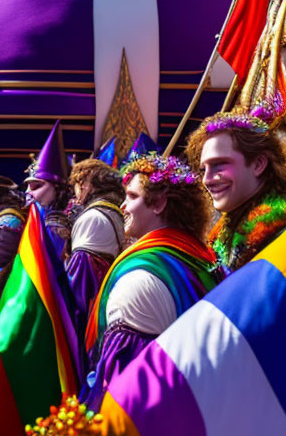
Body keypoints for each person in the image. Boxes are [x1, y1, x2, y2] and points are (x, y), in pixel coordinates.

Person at [80, 153, 218, 411]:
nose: (122, 206)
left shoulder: (139, 279)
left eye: (132, 196)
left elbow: (125, 390)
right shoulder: (199, 257)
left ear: (159, 203)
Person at [185, 96, 286, 273]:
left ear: (258, 164)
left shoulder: (285, 230)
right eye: (203, 169)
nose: (206, 179)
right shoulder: (221, 235)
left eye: (219, 164)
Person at [65, 158, 125, 338]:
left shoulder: (92, 218)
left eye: (76, 185)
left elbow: (80, 282)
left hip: (90, 314)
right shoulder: (114, 209)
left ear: (84, 185)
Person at [23, 120, 73, 258]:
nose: (28, 191)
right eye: (27, 186)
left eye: (36, 186)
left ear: (57, 188)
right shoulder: (40, 218)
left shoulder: (56, 226)